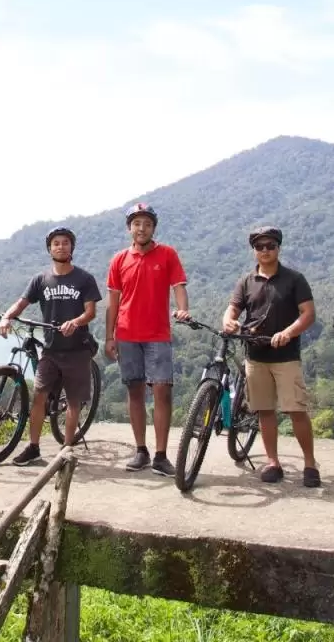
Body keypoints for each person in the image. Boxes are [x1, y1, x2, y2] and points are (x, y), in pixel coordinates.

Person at [0, 226, 102, 466]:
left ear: (71, 248)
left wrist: (75, 323)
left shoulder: (84, 279)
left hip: (77, 349)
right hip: (52, 350)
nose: (61, 246)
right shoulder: (41, 279)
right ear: (49, 248)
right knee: (39, 397)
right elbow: (21, 303)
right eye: (56, 243)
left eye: (65, 242)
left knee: (73, 402)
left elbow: (91, 312)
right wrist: (7, 317)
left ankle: (65, 452)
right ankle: (33, 448)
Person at [222, 226, 319, 486]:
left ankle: (310, 463)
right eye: (260, 246)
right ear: (254, 250)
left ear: (278, 248)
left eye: (270, 246)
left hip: (286, 356)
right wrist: (229, 321)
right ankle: (272, 461)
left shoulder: (294, 279)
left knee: (296, 410)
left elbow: (308, 314)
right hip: (255, 355)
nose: (265, 250)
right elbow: (232, 309)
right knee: (264, 411)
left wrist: (288, 332)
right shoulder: (246, 281)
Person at [105, 202, 190, 475]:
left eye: (147, 224)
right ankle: (141, 450)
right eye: (137, 223)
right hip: (127, 334)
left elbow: (178, 286)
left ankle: (161, 455)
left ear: (153, 227)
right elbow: (113, 302)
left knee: (163, 391)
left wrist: (183, 309)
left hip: (157, 334)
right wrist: (109, 337)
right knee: (135, 391)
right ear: (130, 227)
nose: (142, 228)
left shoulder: (167, 254)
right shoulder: (119, 259)